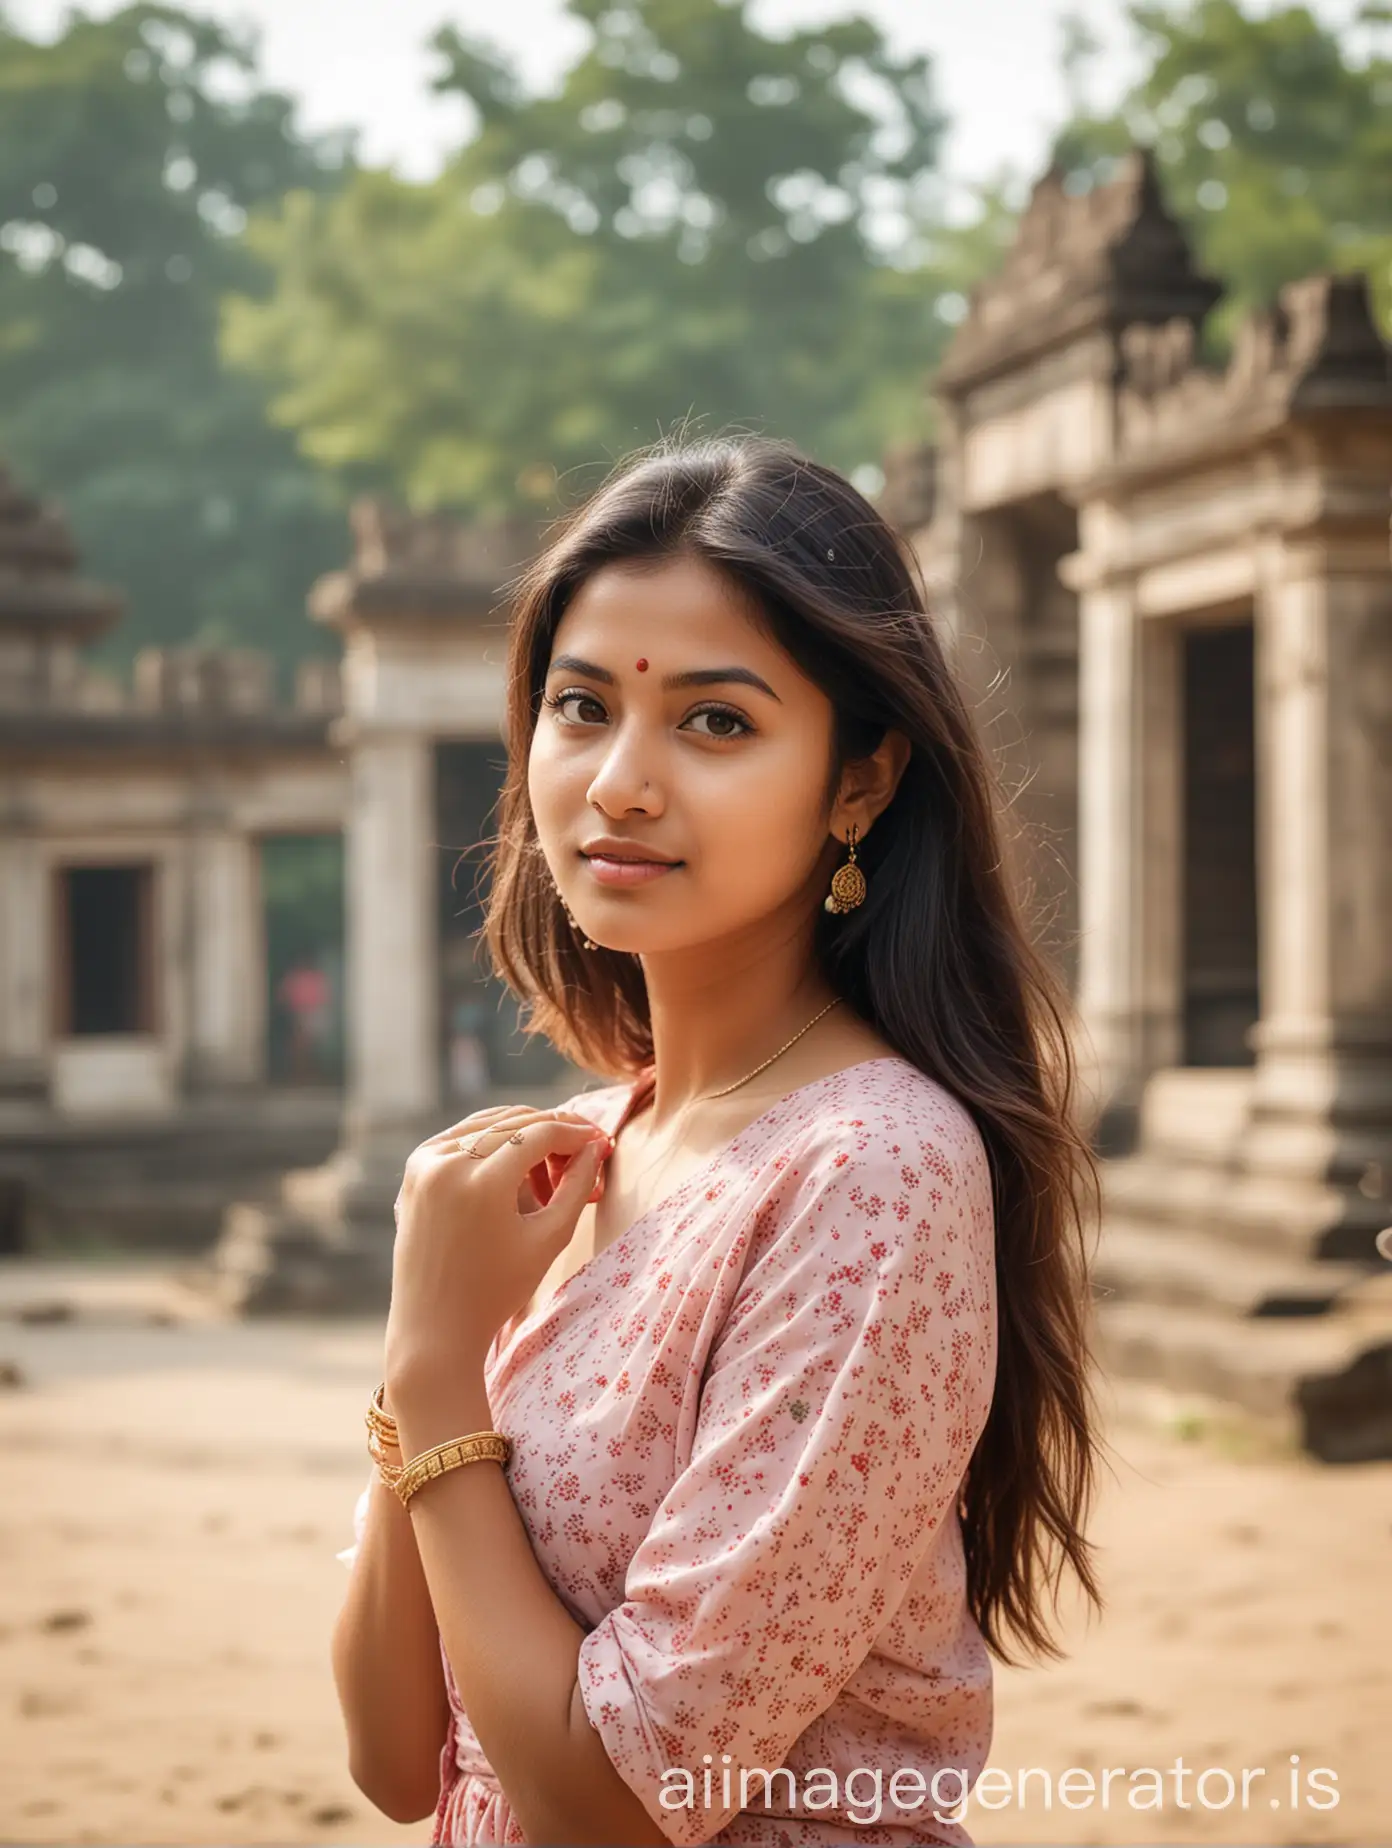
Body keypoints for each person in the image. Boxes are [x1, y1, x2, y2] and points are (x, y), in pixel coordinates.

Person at [332, 433, 1102, 1848]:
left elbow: (621, 1802)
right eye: (580, 708)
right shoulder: (564, 1161)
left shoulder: (872, 1172)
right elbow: (397, 1759)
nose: (620, 782)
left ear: (860, 783)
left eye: (716, 723)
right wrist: (419, 1343)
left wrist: (443, 1373)